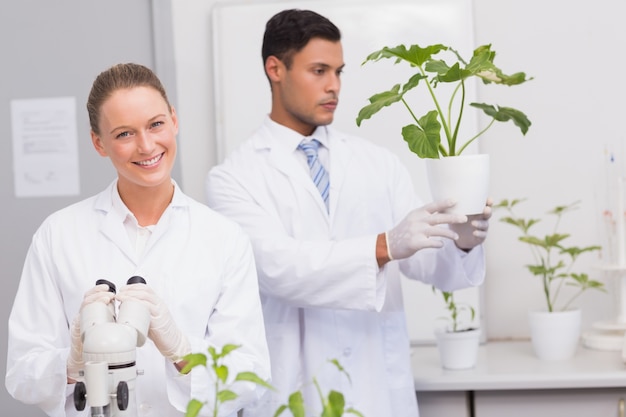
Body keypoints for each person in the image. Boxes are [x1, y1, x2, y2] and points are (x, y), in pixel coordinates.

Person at [205, 8, 493, 417]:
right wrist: (384, 246)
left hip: (377, 389)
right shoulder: (233, 178)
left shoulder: (377, 163)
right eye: (319, 71)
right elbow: (277, 269)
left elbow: (429, 265)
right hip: (294, 393)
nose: (334, 86)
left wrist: (462, 241)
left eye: (339, 72)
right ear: (275, 69)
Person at [6, 63, 270, 417]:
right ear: (99, 143)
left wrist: (182, 351)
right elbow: (22, 373)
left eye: (156, 124)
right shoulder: (58, 235)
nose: (146, 146)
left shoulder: (224, 238)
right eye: (124, 134)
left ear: (174, 120)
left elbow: (251, 376)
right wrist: (71, 363)